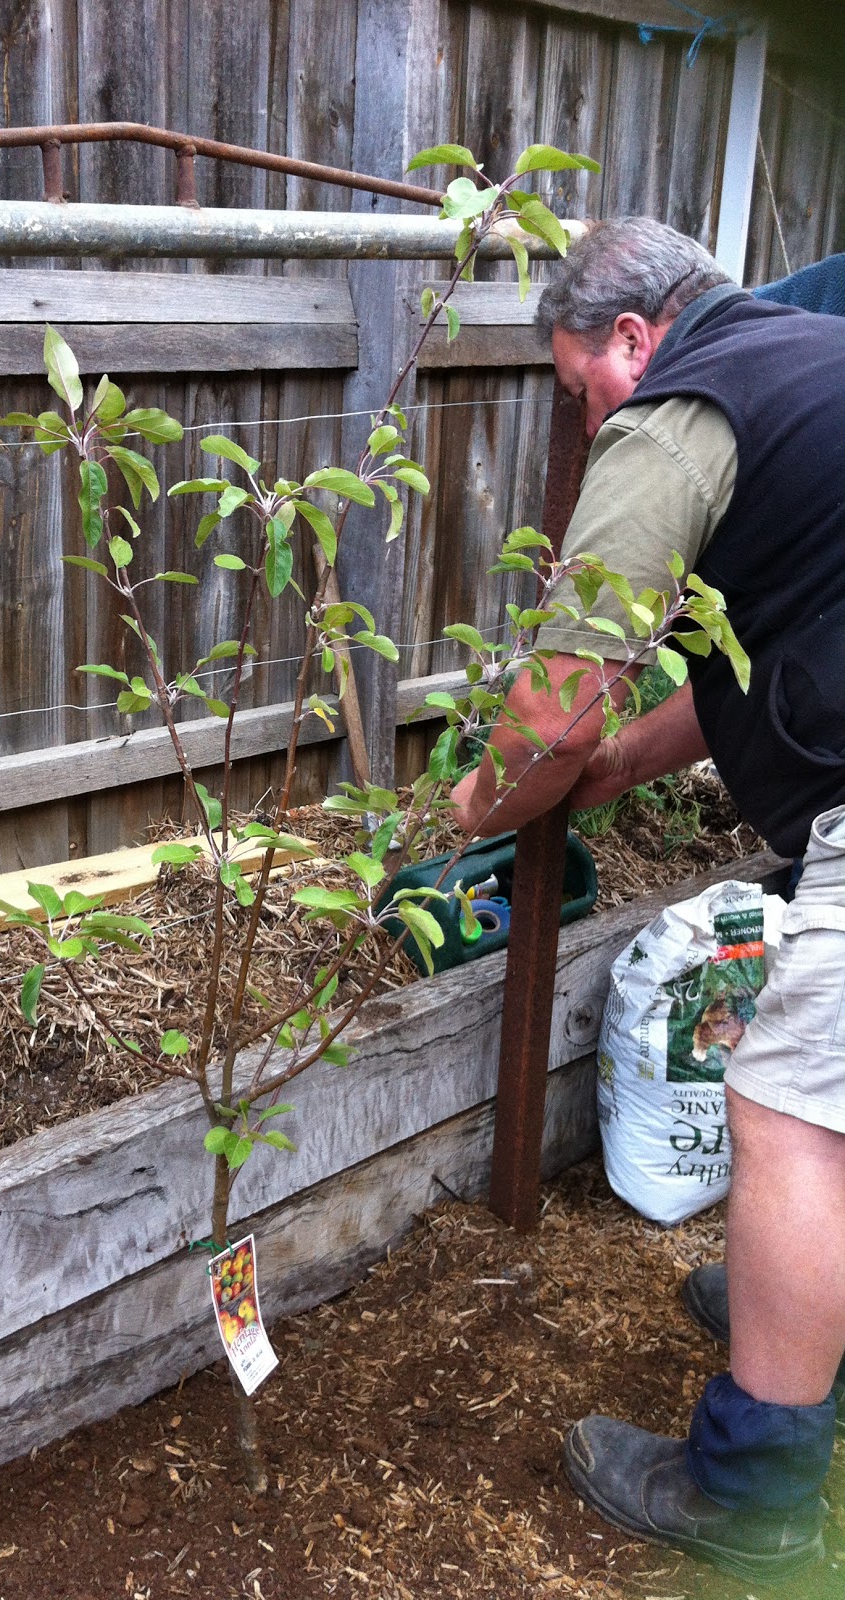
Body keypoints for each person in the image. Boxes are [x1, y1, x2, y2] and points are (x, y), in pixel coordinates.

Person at [449, 216, 845, 1581]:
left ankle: (754, 1486)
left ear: (633, 337)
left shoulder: (679, 421)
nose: (587, 423)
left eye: (578, 392)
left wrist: (473, 809)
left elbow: (553, 712)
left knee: (792, 1114)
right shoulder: (814, 366)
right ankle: (811, 1312)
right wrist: (619, 758)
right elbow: (747, 648)